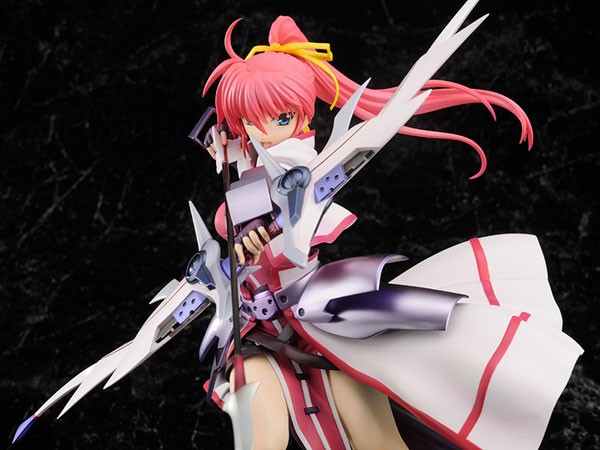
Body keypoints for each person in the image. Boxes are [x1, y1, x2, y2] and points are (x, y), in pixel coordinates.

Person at [197, 7, 581, 450]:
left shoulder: (304, 173)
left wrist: (266, 220)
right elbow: (235, 212)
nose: (264, 132)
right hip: (255, 333)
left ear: (302, 116)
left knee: (370, 431)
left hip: (318, 325)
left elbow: (296, 226)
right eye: (251, 121)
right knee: (261, 430)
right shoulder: (244, 178)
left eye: (280, 118)